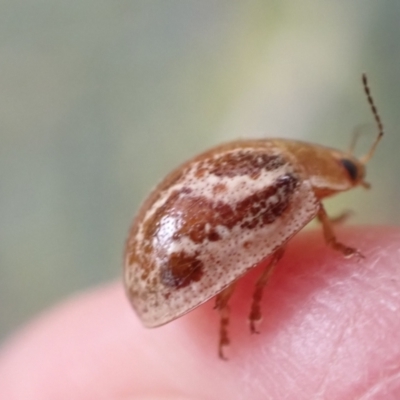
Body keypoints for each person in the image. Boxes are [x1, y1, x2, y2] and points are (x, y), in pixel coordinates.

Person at [1, 227, 400, 399]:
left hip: (159, 268)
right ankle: (228, 312)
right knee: (263, 255)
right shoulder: (288, 184)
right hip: (169, 269)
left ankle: (227, 313)